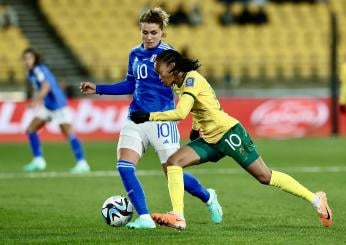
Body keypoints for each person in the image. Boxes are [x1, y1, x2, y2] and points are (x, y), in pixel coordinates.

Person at [129, 49, 333, 230]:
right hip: (210, 139)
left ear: (172, 67)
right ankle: (178, 216)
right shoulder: (178, 83)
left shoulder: (192, 79)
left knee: (265, 177)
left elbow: (182, 112)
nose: (158, 76)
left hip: (229, 133)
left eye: (160, 71)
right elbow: (203, 106)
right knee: (173, 163)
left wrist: (149, 116)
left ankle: (316, 200)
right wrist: (195, 127)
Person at [80, 7, 222, 229]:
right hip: (135, 117)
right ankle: (145, 217)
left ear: (162, 32)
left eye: (153, 32)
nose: (148, 37)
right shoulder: (134, 54)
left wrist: (198, 120)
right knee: (124, 166)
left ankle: (208, 196)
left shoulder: (169, 56)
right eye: (145, 32)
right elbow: (129, 84)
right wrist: (98, 88)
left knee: (171, 171)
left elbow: (186, 85)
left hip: (162, 120)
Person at [22, 48, 90, 174]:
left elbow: (46, 86)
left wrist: (36, 100)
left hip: (58, 105)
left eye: (29, 58)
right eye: (25, 59)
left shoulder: (38, 69)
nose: (27, 61)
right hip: (48, 106)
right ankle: (38, 160)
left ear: (35, 59)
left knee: (68, 133)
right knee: (31, 129)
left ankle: (82, 163)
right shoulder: (30, 73)